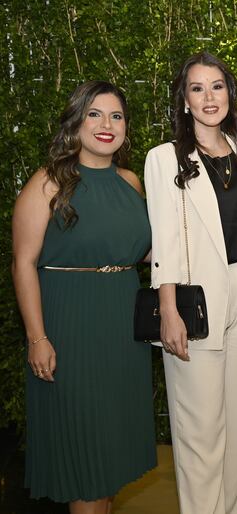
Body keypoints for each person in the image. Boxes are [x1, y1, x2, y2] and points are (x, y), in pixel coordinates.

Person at [12, 80, 156, 513]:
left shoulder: (131, 182)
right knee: (87, 467)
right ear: (76, 122)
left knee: (110, 464)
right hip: (71, 326)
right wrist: (38, 337)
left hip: (122, 330)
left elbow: (148, 252)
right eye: (94, 114)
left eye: (116, 116)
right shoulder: (47, 182)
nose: (106, 124)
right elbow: (22, 263)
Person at [144, 51, 237, 514]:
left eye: (217, 86)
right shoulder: (164, 159)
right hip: (194, 301)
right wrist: (168, 312)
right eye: (197, 88)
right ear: (184, 99)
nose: (209, 97)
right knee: (199, 437)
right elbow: (167, 242)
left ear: (229, 95)